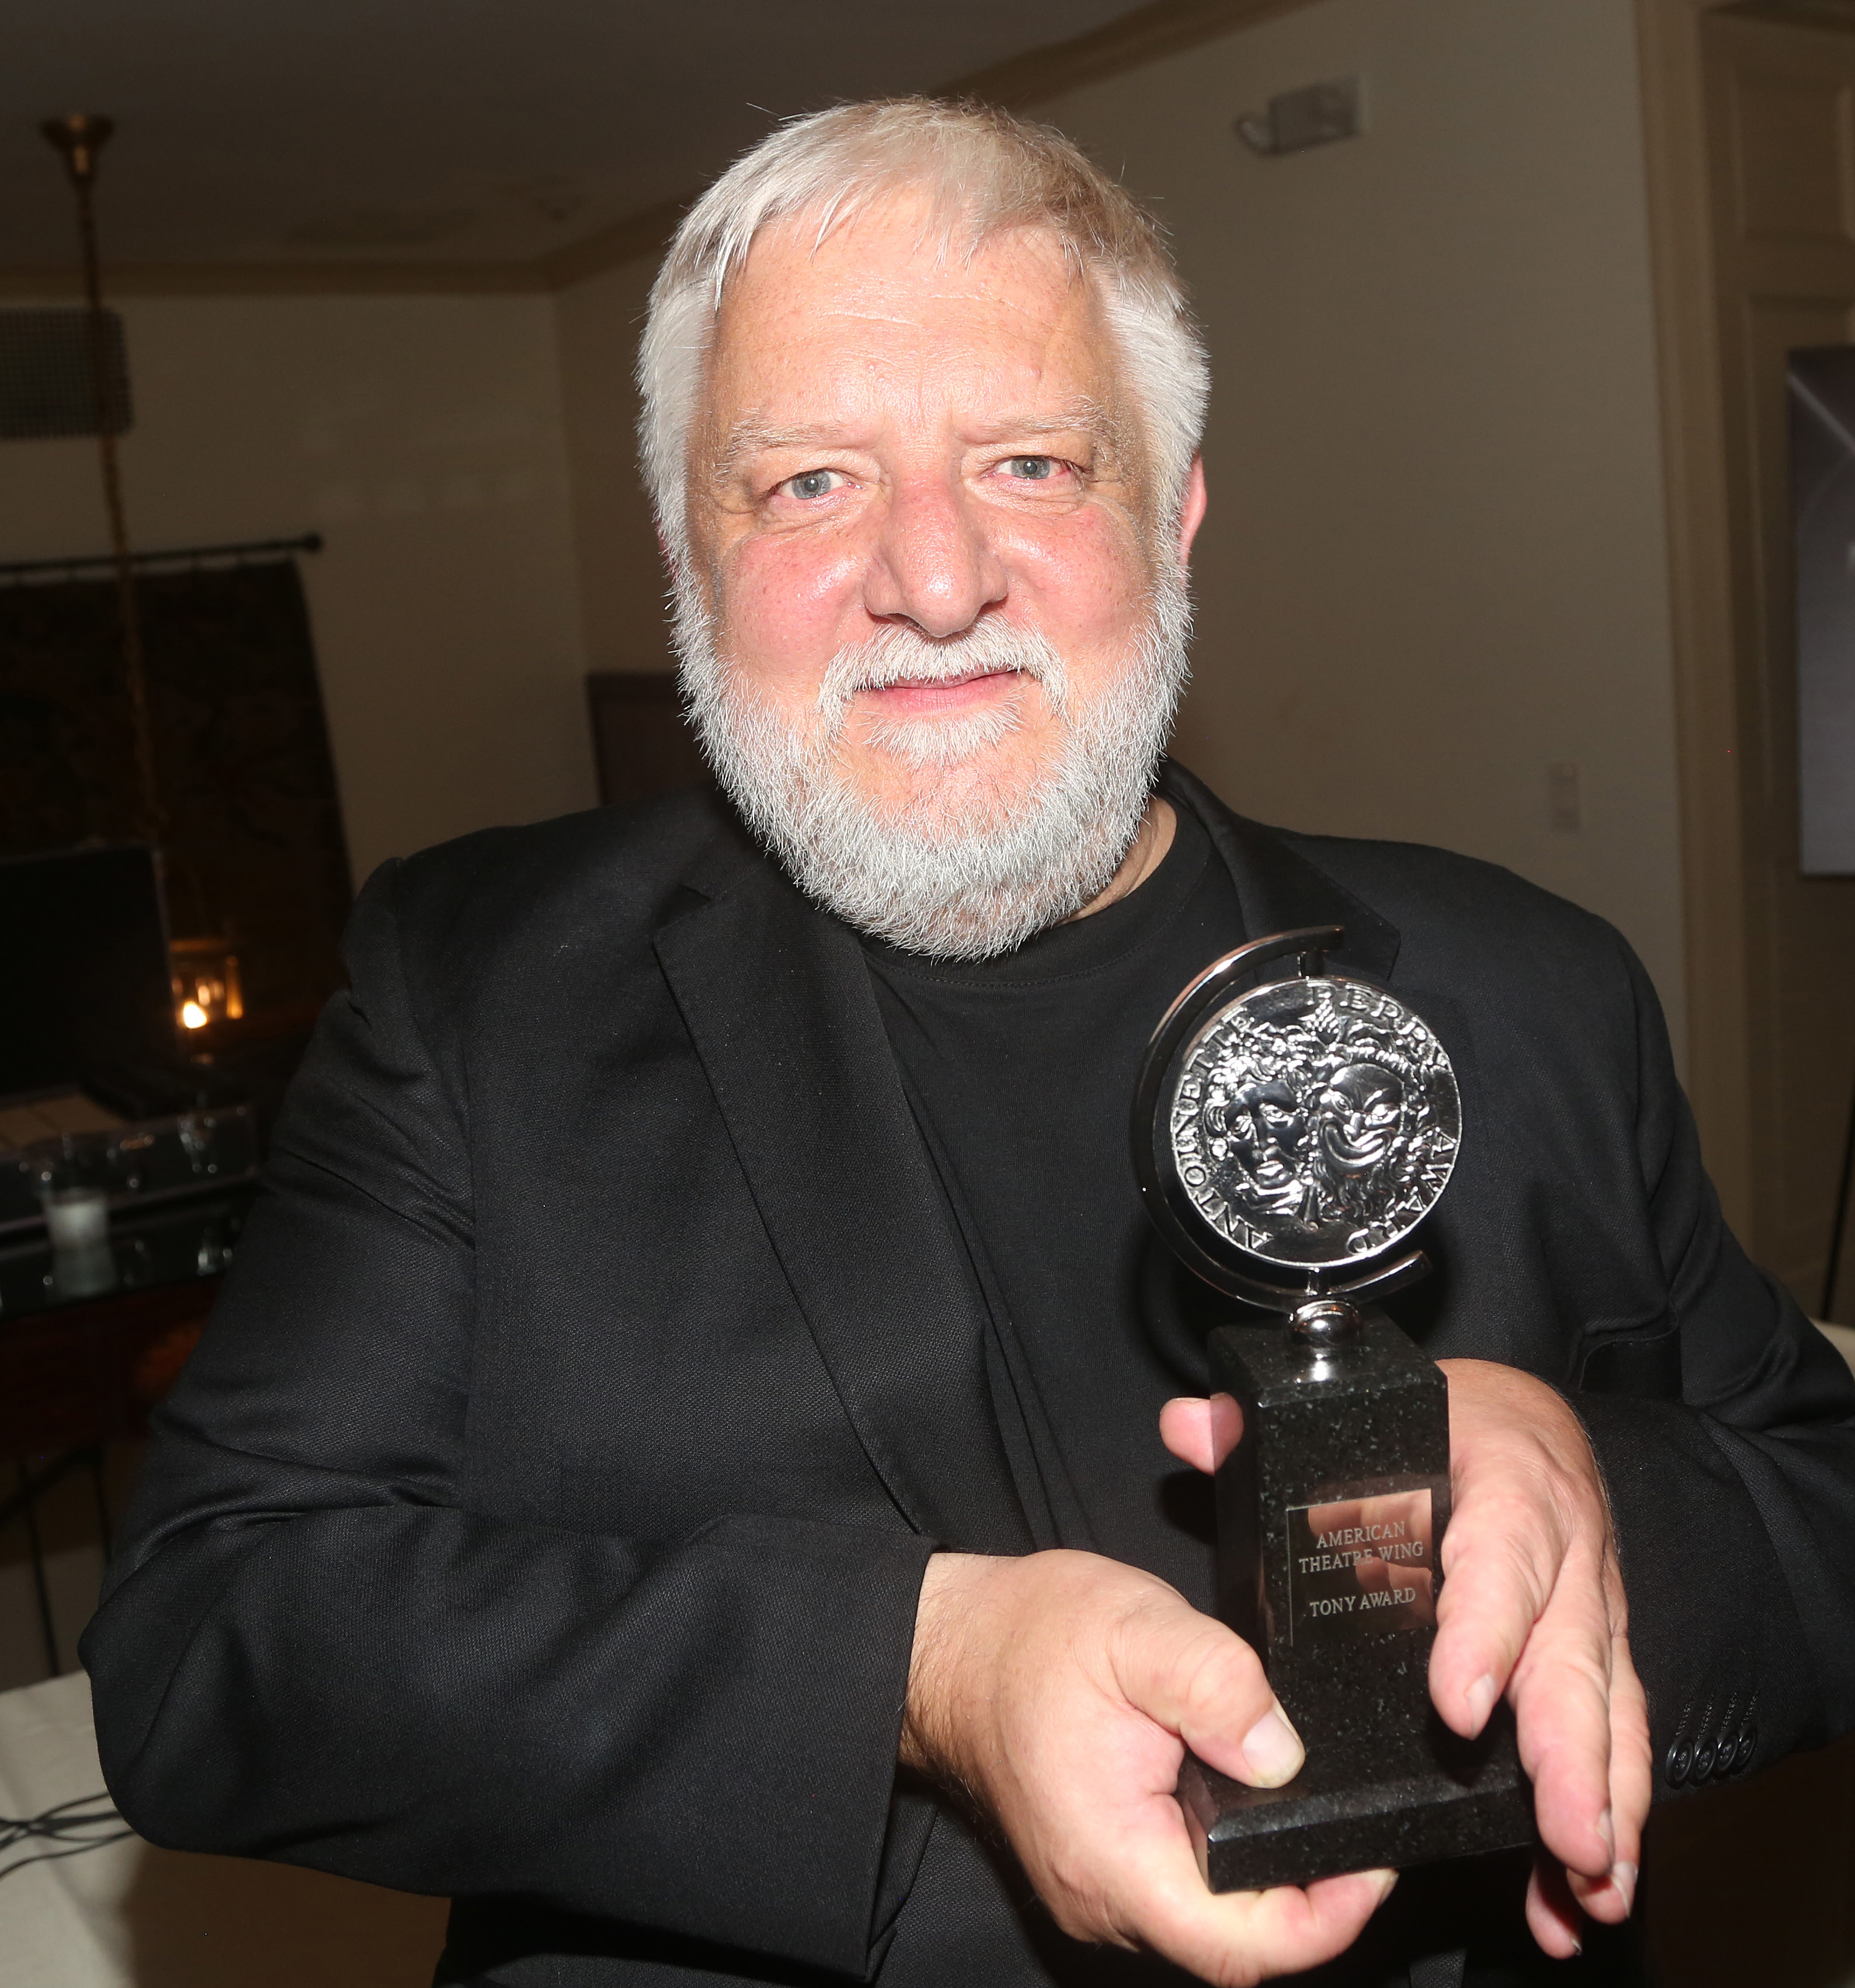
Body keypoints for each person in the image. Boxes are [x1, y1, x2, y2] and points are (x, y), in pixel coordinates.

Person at [82, 99, 1855, 1988]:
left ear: (1172, 513)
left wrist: (1587, 1478)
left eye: (1027, 461)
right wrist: (912, 1672)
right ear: (689, 552)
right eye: (810, 483)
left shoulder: (1530, 986)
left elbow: (1823, 1511)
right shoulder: (480, 988)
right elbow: (213, 1637)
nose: (935, 581)